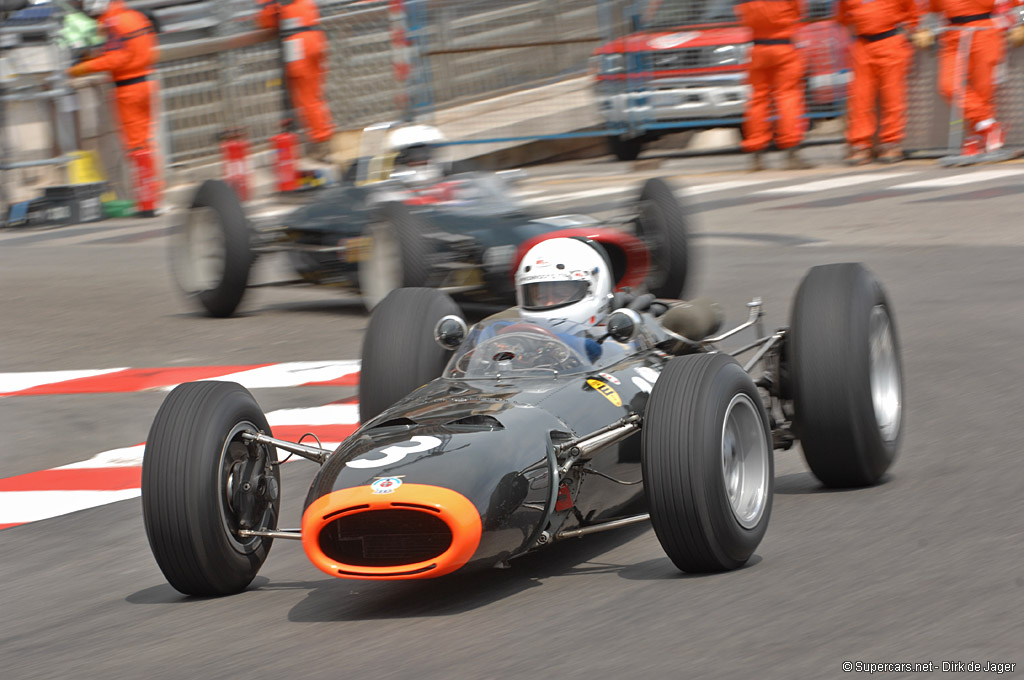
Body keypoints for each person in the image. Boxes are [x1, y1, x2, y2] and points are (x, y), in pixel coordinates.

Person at [67, 0, 160, 217]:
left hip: (128, 89)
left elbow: (116, 58)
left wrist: (80, 69)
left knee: (136, 147)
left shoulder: (113, 23)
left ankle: (147, 204)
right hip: (146, 83)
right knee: (146, 144)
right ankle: (152, 198)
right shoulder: (134, 16)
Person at [913, 0, 1024, 155]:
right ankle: (989, 126)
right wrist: (923, 29)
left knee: (983, 90)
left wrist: (1021, 23)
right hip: (952, 33)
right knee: (948, 85)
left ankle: (977, 137)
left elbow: (1019, 3)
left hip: (986, 29)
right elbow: (927, 8)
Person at [839, 0, 923, 164]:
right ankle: (860, 144)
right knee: (859, 98)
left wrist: (911, 31)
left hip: (891, 41)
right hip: (862, 45)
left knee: (893, 96)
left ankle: (891, 142)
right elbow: (844, 17)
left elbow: (911, 12)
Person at [734, 0, 814, 171]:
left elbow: (741, 13)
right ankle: (791, 152)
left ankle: (756, 155)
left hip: (758, 49)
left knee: (758, 100)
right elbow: (799, 11)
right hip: (784, 47)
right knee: (788, 97)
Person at [256, 0, 335, 161]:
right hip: (316, 39)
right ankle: (323, 139)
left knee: (306, 99)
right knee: (315, 95)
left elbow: (265, 21)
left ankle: (321, 144)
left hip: (298, 45)